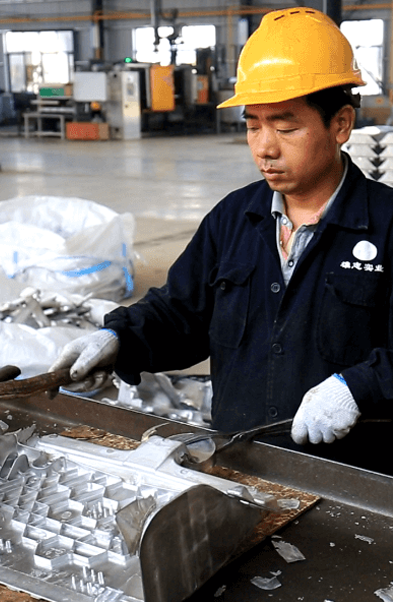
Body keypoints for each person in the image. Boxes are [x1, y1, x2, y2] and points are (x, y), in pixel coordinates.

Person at [50, 8, 393, 471]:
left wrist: (359, 387)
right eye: (252, 125)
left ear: (341, 124)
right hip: (238, 465)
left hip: (353, 482)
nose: (264, 147)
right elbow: (182, 313)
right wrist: (119, 337)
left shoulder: (387, 224)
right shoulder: (234, 218)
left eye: (286, 127)